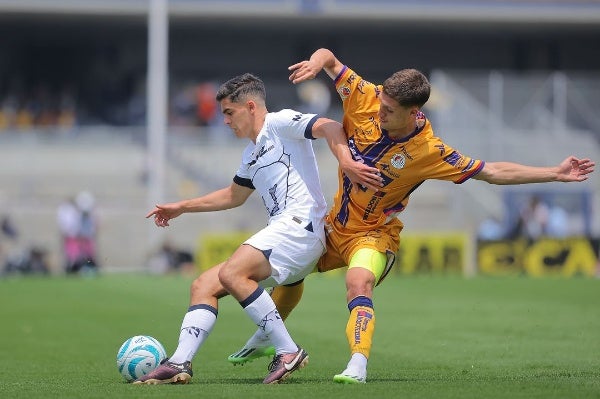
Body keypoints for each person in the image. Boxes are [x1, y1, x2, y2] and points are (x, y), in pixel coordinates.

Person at [227, 48, 596, 384]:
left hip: (373, 235)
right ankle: (267, 338)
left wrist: (555, 172)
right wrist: (315, 63)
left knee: (358, 283)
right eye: (381, 101)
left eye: (389, 109)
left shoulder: (429, 151)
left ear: (413, 112)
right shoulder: (365, 97)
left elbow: (492, 172)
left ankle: (357, 364)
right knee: (287, 273)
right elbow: (330, 59)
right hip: (332, 228)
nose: (379, 110)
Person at [135, 73, 377, 385]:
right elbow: (232, 196)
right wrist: (181, 207)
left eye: (228, 112)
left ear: (250, 106)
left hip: (301, 228)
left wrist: (345, 161)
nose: (224, 121)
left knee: (232, 272)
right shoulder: (250, 155)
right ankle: (180, 361)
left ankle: (287, 350)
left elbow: (330, 126)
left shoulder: (281, 122)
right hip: (284, 236)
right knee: (202, 285)